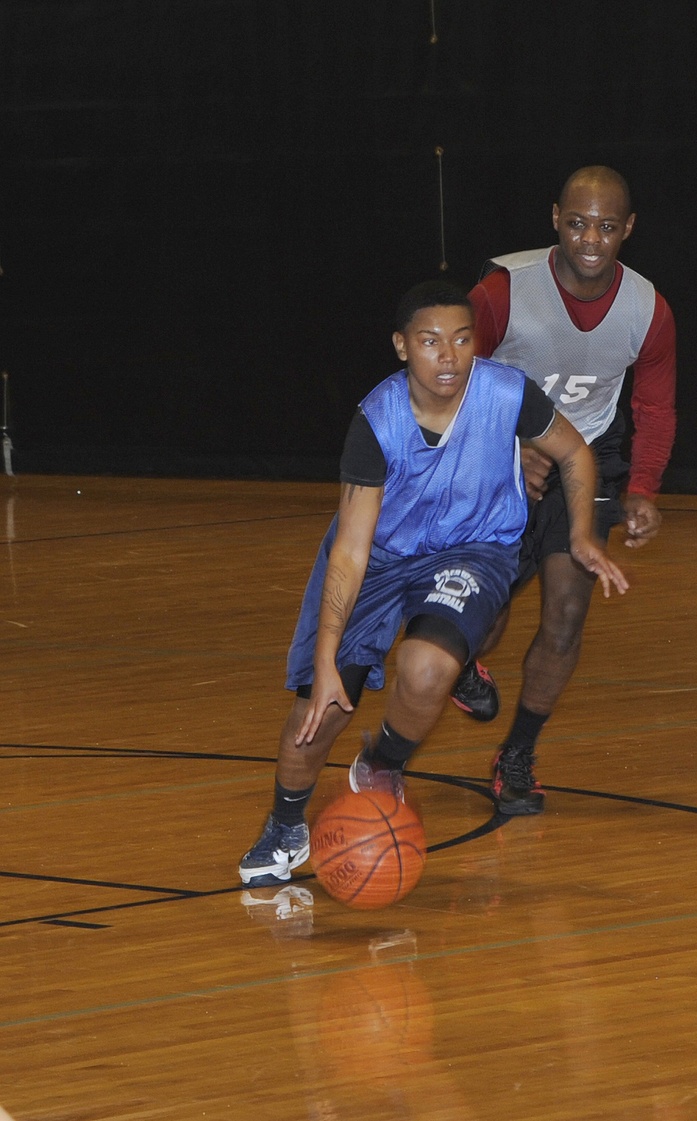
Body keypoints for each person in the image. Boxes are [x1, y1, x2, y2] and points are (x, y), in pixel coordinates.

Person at [238, 280, 627, 888]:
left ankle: (383, 763)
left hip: (473, 550)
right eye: (429, 341)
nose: (448, 355)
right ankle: (286, 823)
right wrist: (325, 660)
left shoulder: (505, 393)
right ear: (401, 347)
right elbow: (351, 549)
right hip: (380, 558)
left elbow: (575, 453)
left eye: (462, 339)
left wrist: (580, 533)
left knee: (427, 669)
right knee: (319, 711)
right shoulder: (376, 420)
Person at [450, 164, 677, 815]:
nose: (590, 239)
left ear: (627, 229)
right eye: (577, 222)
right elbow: (449, 379)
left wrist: (642, 488)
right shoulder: (502, 291)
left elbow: (656, 407)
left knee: (567, 611)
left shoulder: (648, 309)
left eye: (607, 226)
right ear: (555, 218)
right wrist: (502, 444)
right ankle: (463, 659)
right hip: (506, 453)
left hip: (591, 458)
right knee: (484, 616)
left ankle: (517, 752)